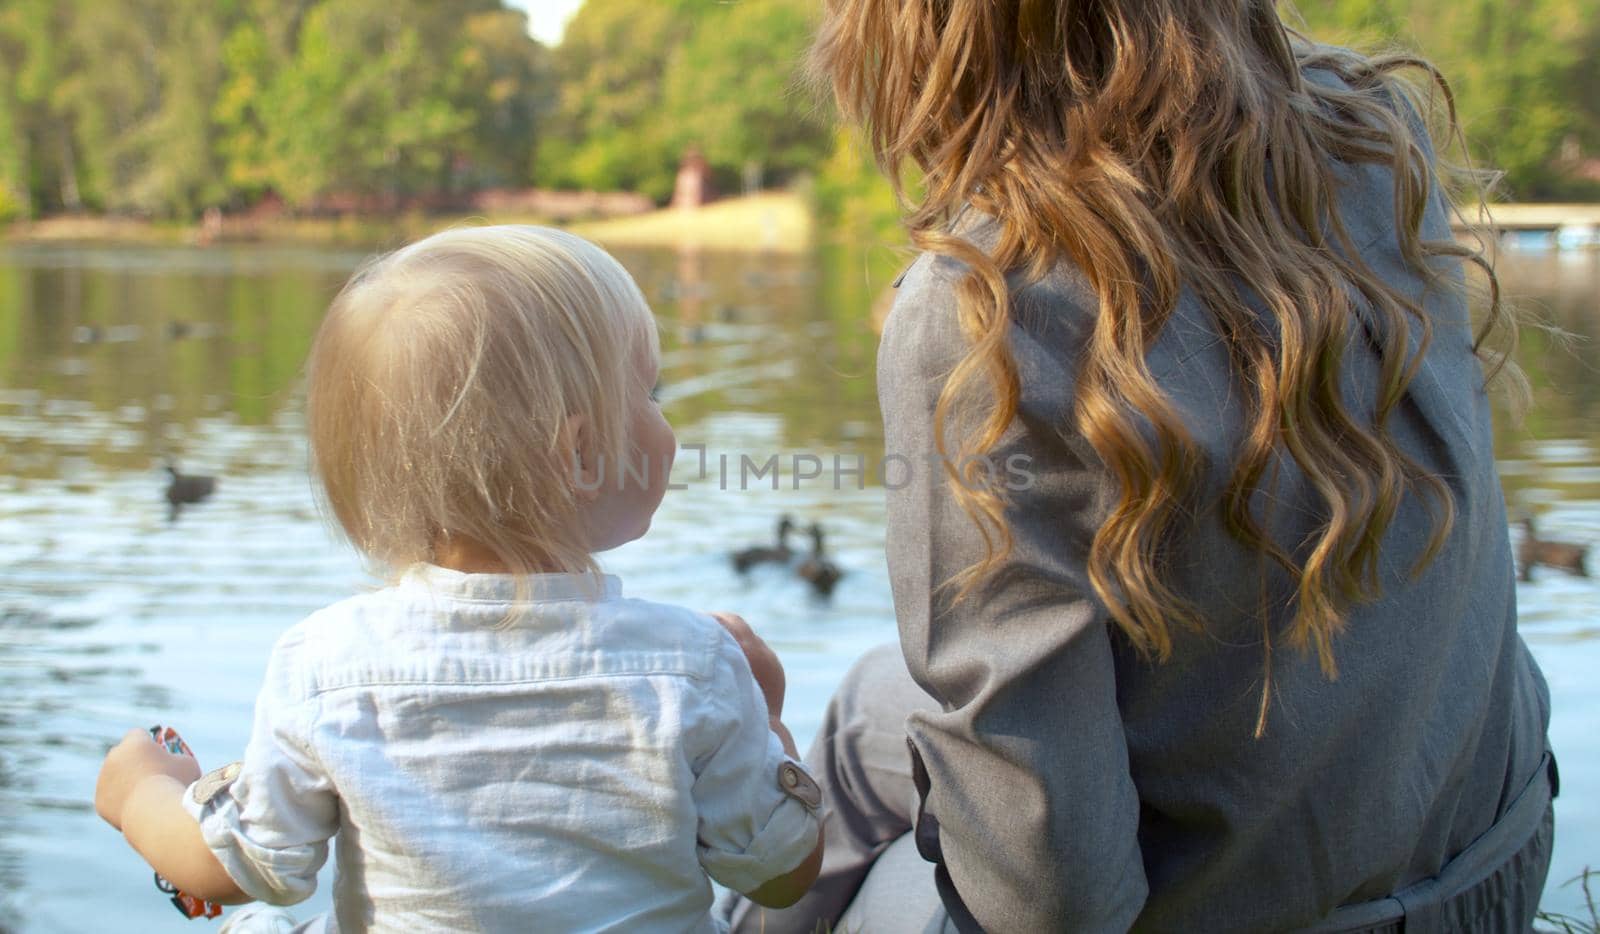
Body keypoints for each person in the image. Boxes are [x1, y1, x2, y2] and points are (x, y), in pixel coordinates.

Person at [731, 2, 1555, 932]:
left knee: (922, 811)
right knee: (863, 718)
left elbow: (1050, 903)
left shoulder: (985, 314)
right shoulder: (1375, 133)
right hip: (1492, 869)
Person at [93, 225, 824, 932]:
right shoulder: (692, 667)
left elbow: (232, 865)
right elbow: (781, 874)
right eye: (652, 396)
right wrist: (769, 722)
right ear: (580, 453)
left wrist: (141, 791)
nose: (669, 425)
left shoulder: (326, 666)